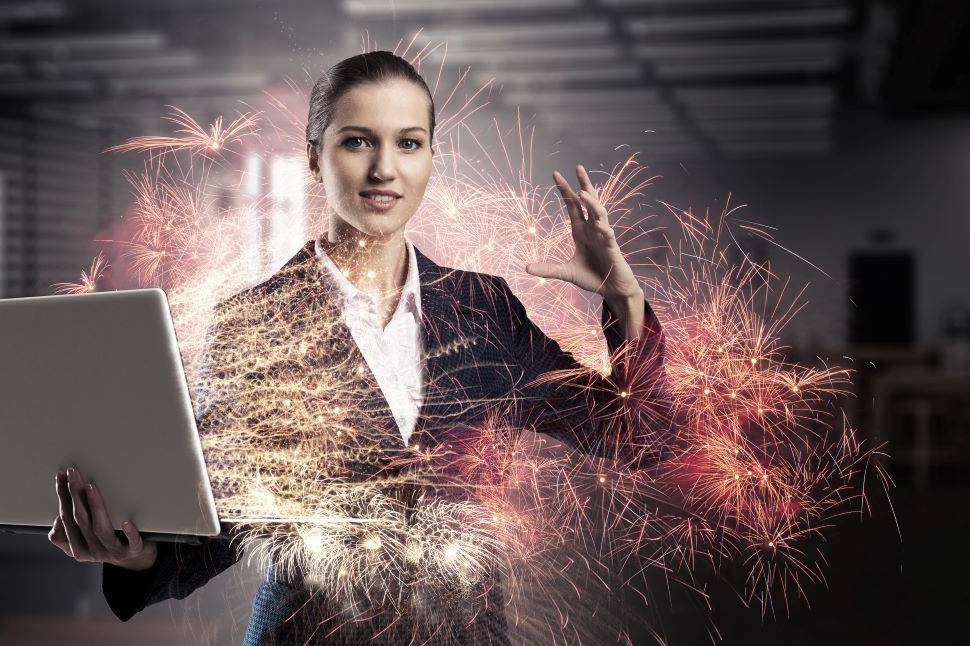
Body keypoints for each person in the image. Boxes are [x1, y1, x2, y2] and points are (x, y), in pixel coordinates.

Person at [47, 51, 675, 645]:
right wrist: (142, 554)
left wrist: (625, 302)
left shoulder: (485, 309)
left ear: (431, 157)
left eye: (408, 143)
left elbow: (638, 438)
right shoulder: (253, 322)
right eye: (356, 141)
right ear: (315, 159)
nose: (384, 169)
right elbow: (226, 518)